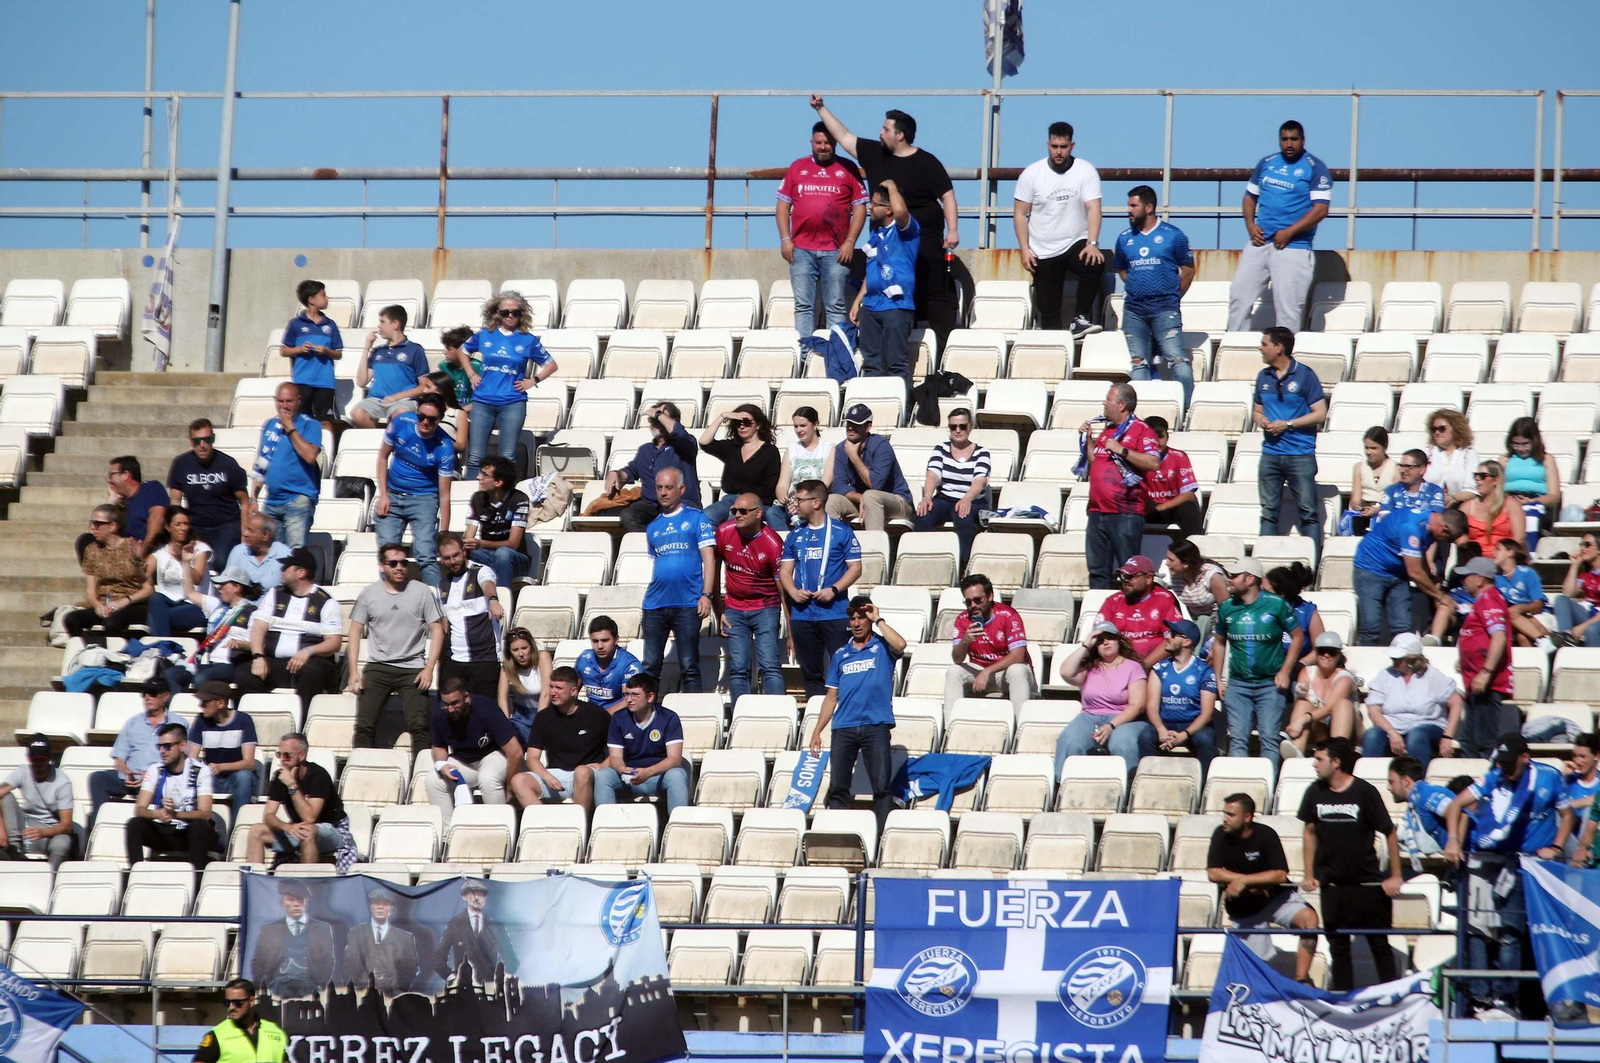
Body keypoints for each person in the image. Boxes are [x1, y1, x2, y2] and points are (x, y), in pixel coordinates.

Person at [810, 97, 959, 350]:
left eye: (886, 129)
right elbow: (844, 137)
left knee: (934, 300)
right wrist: (820, 108)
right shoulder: (874, 153)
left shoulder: (927, 162)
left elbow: (947, 196)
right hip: (887, 248)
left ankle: (944, 358)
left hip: (924, 245)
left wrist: (953, 230)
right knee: (895, 303)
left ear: (900, 135)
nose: (880, 132)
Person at [1442, 733, 1572, 1019]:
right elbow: (1456, 804)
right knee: (1494, 932)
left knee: (1519, 935)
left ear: (1525, 758)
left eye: (1509, 763)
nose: (1504, 768)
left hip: (1534, 867)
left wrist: (1558, 846)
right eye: (1500, 762)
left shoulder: (1548, 777)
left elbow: (1567, 814)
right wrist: (1452, 840)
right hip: (1498, 861)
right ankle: (1491, 998)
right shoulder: (1494, 777)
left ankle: (1514, 999)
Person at [1298, 737, 1402, 992]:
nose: (1314, 764)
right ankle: (1345, 1001)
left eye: (1319, 759)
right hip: (1332, 885)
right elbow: (1309, 832)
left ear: (1336, 762)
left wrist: (1395, 875)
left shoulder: (1364, 792)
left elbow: (1389, 832)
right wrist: (1309, 873)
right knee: (1338, 949)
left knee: (1380, 946)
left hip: (1367, 884)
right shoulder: (1314, 791)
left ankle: (1392, 999)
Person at [807, 597, 905, 835]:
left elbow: (901, 645)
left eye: (862, 617)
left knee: (881, 788)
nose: (857, 623)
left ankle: (880, 837)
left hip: (876, 725)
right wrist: (817, 730)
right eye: (853, 618)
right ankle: (839, 834)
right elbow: (831, 698)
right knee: (838, 787)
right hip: (844, 727)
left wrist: (878, 619)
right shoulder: (841, 654)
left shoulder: (883, 647)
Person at [1227, 120, 1333, 332]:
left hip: (1293, 247)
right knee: (1239, 297)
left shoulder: (1315, 167)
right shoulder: (1267, 163)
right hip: (1259, 243)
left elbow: (1320, 209)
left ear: (1303, 140)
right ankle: (1234, 346)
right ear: (1279, 141)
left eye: (1294, 139)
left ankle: (1285, 359)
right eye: (1285, 139)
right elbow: (1249, 197)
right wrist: (1250, 225)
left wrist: (1289, 232)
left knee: (1288, 309)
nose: (1289, 144)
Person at [1208, 793, 1319, 984]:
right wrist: (1245, 880)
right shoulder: (1220, 835)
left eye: (1231, 814)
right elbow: (1213, 873)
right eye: (1224, 813)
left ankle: (1302, 979)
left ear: (1247, 817)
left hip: (1276, 899)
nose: (1225, 819)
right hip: (1245, 909)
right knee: (1255, 971)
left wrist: (1245, 881)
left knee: (1310, 918)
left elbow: (1280, 874)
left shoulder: (1266, 835)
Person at [347, 542, 445, 755]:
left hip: (413, 668)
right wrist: (353, 671)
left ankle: (420, 772)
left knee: (420, 726)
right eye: (393, 563)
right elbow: (354, 631)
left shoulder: (422, 592)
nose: (399, 567)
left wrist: (429, 668)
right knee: (364, 725)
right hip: (378, 666)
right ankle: (362, 768)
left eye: (403, 562)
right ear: (382, 566)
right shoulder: (369, 594)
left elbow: (437, 630)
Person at [1013, 122, 1105, 338]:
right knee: (1048, 308)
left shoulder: (1085, 170)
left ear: (1071, 145)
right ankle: (1053, 350)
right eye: (1054, 146)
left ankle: (1080, 318)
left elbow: (1094, 208)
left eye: (1063, 146)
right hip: (1043, 248)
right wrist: (1024, 249)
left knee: (1095, 263)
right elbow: (1019, 213)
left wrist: (1092, 242)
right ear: (1048, 144)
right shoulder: (1032, 173)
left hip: (1076, 242)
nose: (1058, 152)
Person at [1212, 558, 1303, 770]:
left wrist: (1285, 671)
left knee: (1269, 739)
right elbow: (1219, 642)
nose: (1229, 580)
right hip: (1238, 683)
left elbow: (1297, 636)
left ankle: (1267, 790)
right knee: (1237, 739)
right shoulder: (1227, 607)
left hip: (1270, 684)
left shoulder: (1276, 604)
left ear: (1250, 578)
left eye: (1234, 576)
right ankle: (1241, 786)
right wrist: (1217, 678)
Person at [777, 121, 868, 332]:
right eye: (818, 142)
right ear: (811, 142)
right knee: (803, 306)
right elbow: (782, 207)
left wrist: (850, 241)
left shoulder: (848, 169)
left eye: (827, 142)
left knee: (835, 306)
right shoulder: (797, 167)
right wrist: (785, 239)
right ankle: (803, 356)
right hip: (801, 250)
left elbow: (860, 209)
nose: (823, 147)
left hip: (836, 251)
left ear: (834, 143)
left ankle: (837, 355)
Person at [458, 290, 559, 480]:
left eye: (515, 312)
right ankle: (470, 498)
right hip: (483, 401)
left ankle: (505, 501)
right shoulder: (485, 335)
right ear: (498, 313)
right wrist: (471, 374)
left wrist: (533, 380)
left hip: (512, 403)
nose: (510, 316)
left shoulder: (528, 339)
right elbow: (463, 351)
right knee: (475, 457)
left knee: (507, 457)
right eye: (505, 312)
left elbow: (551, 365)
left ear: (522, 314)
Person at [782, 478, 863, 698]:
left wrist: (834, 590)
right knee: (811, 675)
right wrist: (793, 592)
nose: (795, 504)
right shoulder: (795, 534)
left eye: (800, 499)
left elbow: (855, 568)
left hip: (834, 613)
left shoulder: (841, 531)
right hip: (803, 615)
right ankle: (814, 717)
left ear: (816, 502)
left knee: (843, 670)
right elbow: (784, 573)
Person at [1115, 185, 1196, 403]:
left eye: (1133, 205)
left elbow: (1188, 269)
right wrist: (1138, 285)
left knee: (1177, 359)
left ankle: (1187, 408)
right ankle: (1141, 410)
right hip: (1134, 310)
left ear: (1149, 207)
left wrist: (1172, 296)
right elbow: (1122, 269)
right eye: (1128, 205)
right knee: (1139, 362)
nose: (1128, 210)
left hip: (1165, 308)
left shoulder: (1173, 235)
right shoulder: (1124, 238)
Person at [1253, 327, 1328, 561]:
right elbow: (1256, 411)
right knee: (1268, 513)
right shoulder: (1263, 376)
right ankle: (1264, 563)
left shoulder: (1306, 375)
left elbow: (1320, 414)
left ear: (1279, 348)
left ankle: (1312, 565)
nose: (1260, 348)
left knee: (1308, 513)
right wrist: (1262, 420)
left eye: (1264, 344)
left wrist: (1287, 424)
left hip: (1300, 454)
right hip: (1270, 455)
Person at [640, 468, 717, 691]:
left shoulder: (697, 518)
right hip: (655, 605)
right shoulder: (653, 526)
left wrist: (707, 594)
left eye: (669, 487)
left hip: (687, 603)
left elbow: (709, 559)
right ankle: (648, 719)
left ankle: (692, 717)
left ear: (681, 489)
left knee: (689, 666)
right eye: (660, 488)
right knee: (651, 667)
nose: (663, 493)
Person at [242, 548, 342, 712]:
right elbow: (258, 627)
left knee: (312, 674)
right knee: (244, 675)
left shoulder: (326, 601)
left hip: (309, 663)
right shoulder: (275, 594)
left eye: (286, 567)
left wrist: (308, 651)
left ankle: (301, 729)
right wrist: (258, 656)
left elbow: (334, 642)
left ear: (301, 573)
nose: (281, 570)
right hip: (274, 661)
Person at [1082, 384, 1161, 589]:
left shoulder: (1142, 431)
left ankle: (1130, 616)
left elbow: (1153, 463)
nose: (1104, 403)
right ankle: (1100, 614)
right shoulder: (1107, 431)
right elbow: (1096, 462)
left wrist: (1123, 450)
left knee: (1130, 573)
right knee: (1097, 571)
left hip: (1125, 513)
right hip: (1097, 511)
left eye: (1108, 399)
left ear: (1122, 404)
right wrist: (1089, 441)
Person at [1351, 507, 1465, 646]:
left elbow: (1418, 555)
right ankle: (1366, 664)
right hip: (1371, 570)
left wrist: (1431, 579)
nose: (1447, 542)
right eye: (1450, 539)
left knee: (1402, 628)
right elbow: (1414, 572)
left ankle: (1403, 664)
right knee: (1371, 626)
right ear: (1445, 530)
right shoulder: (1411, 528)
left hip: (1398, 573)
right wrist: (1440, 596)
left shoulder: (1429, 527)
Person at [374, 393, 455, 588]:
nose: (425, 421)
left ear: (440, 419)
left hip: (424, 499)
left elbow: (444, 495)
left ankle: (436, 604)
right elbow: (383, 457)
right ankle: (391, 599)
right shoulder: (401, 422)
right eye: (422, 416)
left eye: (432, 419)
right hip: (392, 494)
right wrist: (383, 495)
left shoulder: (445, 447)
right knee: (388, 554)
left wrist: (444, 532)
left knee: (426, 554)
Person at [1053, 622, 1152, 778]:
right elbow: (1066, 672)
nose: (1105, 642)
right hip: (1089, 717)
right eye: (1099, 640)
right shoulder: (1090, 667)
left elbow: (1137, 705)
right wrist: (1085, 645)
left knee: (1123, 742)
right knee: (1070, 739)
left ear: (1119, 641)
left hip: (1123, 718)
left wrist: (1111, 725)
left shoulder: (1133, 667)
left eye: (1110, 638)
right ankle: (1063, 784)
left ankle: (1129, 785)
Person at [426, 677, 528, 826]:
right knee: (433, 780)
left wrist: (510, 788)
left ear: (467, 697)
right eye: (446, 704)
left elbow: (515, 751)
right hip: (464, 761)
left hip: (493, 755)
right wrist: (441, 764)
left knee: (488, 779)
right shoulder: (439, 714)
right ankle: (447, 835)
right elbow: (438, 746)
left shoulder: (486, 708)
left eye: (455, 703)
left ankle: (500, 829)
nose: (450, 709)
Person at [849, 180, 920, 394]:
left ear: (888, 210)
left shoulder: (906, 231)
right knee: (871, 364)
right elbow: (872, 271)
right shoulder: (875, 235)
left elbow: (900, 212)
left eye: (875, 204)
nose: (870, 208)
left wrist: (891, 186)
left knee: (895, 363)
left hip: (896, 307)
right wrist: (858, 300)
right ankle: (873, 406)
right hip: (871, 307)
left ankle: (901, 411)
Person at [714, 492, 786, 700]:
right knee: (738, 668)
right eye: (734, 511)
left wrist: (789, 628)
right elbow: (714, 568)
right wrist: (720, 611)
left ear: (758, 514)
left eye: (743, 511)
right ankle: (740, 716)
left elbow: (782, 588)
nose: (737, 515)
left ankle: (777, 717)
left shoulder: (772, 543)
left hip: (765, 608)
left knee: (769, 666)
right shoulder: (724, 532)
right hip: (734, 609)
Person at [245, 733, 355, 870]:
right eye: (279, 755)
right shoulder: (280, 777)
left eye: (287, 755)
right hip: (298, 827)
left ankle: (307, 885)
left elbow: (310, 817)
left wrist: (292, 785)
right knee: (256, 831)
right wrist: (287, 827)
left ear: (302, 755)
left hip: (333, 829)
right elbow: (268, 815)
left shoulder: (318, 776)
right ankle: (255, 883)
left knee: (307, 831)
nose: (282, 760)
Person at [89, 677, 186, 823]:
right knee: (98, 778)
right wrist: (126, 772)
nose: (147, 697)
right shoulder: (133, 722)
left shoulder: (179, 724)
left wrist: (151, 775)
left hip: (160, 780)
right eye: (144, 693)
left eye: (152, 693)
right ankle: (97, 825)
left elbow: (182, 761)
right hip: (130, 778)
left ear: (166, 696)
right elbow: (119, 757)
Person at [1360, 633, 1464, 768]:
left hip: (1427, 727)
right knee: (1372, 735)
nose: (1393, 660)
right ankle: (1369, 780)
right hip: (1392, 728)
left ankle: (1419, 782)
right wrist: (1391, 732)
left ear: (1411, 659)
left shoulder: (1432, 676)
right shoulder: (1385, 675)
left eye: (1398, 658)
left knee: (1417, 735)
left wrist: (1447, 737)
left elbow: (1456, 703)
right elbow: (1374, 709)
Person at [593, 673, 689, 813]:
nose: (629, 700)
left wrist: (648, 772)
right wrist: (622, 769)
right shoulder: (619, 718)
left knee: (677, 775)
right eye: (627, 695)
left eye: (635, 695)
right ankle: (607, 825)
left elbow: (674, 759)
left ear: (650, 697)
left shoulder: (668, 718)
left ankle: (679, 825)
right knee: (603, 776)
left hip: (659, 775)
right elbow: (615, 757)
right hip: (630, 774)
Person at [125, 721, 216, 869]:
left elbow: (205, 813)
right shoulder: (155, 769)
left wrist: (175, 814)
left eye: (167, 746)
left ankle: (197, 878)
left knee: (200, 826)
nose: (162, 751)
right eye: (159, 746)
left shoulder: (201, 770)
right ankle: (135, 873)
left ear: (182, 746)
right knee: (134, 824)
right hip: (164, 830)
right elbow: (139, 809)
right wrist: (156, 813)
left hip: (189, 833)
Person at [519, 667, 611, 811]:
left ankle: (578, 826)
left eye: (559, 688)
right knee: (519, 781)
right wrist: (547, 777)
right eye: (551, 687)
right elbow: (532, 757)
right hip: (557, 774)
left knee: (581, 772)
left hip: (588, 774)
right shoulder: (543, 717)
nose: (553, 692)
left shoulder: (596, 715)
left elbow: (618, 750)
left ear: (573, 691)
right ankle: (545, 824)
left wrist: (603, 765)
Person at [946, 574, 1034, 722]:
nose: (973, 605)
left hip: (1005, 673)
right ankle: (950, 729)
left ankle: (1020, 728)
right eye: (968, 602)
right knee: (953, 672)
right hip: (979, 671)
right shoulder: (962, 620)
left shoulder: (1008, 615)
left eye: (978, 600)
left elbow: (1018, 655)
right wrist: (965, 641)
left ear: (990, 596)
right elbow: (957, 659)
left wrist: (987, 671)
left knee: (1017, 670)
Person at [1453, 556, 1517, 759]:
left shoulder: (1489, 599)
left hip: (1486, 687)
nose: (1464, 581)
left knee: (1481, 742)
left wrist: (1485, 672)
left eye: (1467, 576)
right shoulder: (1485, 600)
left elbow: (1498, 637)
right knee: (1469, 742)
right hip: (1477, 684)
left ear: (1479, 579)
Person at [912, 408, 990, 571]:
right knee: (923, 513)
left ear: (971, 426)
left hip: (973, 501)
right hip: (945, 498)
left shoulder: (982, 452)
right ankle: (925, 558)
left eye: (962, 426)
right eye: (953, 427)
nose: (958, 430)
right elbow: (933, 474)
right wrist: (927, 496)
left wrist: (967, 498)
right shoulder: (941, 449)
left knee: (962, 514)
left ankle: (962, 565)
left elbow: (980, 480)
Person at [605, 402, 701, 534]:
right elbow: (631, 471)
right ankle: (650, 546)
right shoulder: (645, 450)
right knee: (628, 515)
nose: (656, 421)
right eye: (654, 419)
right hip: (652, 505)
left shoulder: (684, 445)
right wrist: (615, 474)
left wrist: (658, 414)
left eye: (661, 418)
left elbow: (680, 434)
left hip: (682, 503)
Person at [168, 418, 250, 568]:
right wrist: (175, 534)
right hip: (195, 526)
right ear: (190, 442)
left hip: (226, 524)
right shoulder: (181, 464)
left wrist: (244, 534)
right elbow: (175, 503)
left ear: (213, 439)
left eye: (207, 440)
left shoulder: (228, 464)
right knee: (183, 560)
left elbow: (244, 501)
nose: (202, 445)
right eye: (197, 441)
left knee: (222, 562)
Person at [250, 381, 323, 549]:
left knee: (294, 555)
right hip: (272, 501)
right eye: (280, 401)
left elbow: (310, 456)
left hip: (297, 500)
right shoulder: (269, 425)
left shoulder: (309, 425)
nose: (284, 406)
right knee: (269, 553)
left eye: (289, 401)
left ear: (298, 400)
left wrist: (290, 428)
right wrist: (254, 496)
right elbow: (262, 462)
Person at [63, 504, 154, 638]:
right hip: (105, 605)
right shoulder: (92, 550)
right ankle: (88, 650)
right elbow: (90, 590)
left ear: (112, 526)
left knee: (112, 623)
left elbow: (148, 589)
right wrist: (96, 605)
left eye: (98, 524)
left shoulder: (132, 547)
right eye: (92, 523)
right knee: (70, 619)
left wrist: (125, 601)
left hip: (132, 604)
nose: (92, 528)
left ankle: (116, 656)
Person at [168, 564, 261, 694]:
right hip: (208, 662)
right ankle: (174, 711)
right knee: (171, 674)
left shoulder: (253, 613)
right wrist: (186, 561)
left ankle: (203, 712)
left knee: (201, 679)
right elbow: (190, 593)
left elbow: (257, 645)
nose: (219, 589)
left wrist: (240, 644)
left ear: (237, 587)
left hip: (230, 664)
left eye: (223, 585)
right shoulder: (217, 605)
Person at [435, 532, 505, 701]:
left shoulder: (480, 571)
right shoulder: (442, 586)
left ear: (464, 551)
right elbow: (444, 626)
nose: (453, 561)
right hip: (454, 661)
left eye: (456, 555)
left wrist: (493, 600)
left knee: (481, 710)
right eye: (447, 558)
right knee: (450, 711)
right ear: (441, 559)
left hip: (484, 659)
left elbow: (488, 584)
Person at [1144, 620, 1219, 773]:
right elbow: (1151, 706)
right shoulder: (1159, 668)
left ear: (1186, 641)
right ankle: (1149, 778)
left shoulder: (1204, 671)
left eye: (1173, 634)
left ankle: (1204, 785)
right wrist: (1161, 730)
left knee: (1205, 739)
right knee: (1144, 736)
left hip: (1193, 725)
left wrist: (1184, 735)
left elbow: (1206, 714)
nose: (1167, 637)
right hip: (1165, 723)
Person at [699, 405, 787, 530]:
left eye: (746, 422)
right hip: (730, 500)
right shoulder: (733, 447)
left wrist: (743, 503)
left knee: (733, 519)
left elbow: (769, 488)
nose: (742, 426)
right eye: (737, 423)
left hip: (757, 503)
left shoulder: (770, 452)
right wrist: (722, 416)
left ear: (758, 425)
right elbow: (704, 442)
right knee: (705, 518)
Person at [827, 405, 914, 526]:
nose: (850, 428)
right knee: (832, 501)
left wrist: (854, 457)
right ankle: (834, 543)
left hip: (897, 501)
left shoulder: (881, 446)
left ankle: (874, 544)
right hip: (863, 502)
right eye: (848, 423)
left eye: (856, 424)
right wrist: (860, 498)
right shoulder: (841, 448)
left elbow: (876, 484)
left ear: (868, 427)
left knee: (871, 496)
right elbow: (838, 485)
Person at [250, 880, 335, 1000]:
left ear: (306, 902)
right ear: (282, 903)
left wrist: (320, 984)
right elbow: (259, 961)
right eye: (290, 899)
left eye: (300, 900)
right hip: (277, 986)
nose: (296, 904)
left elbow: (328, 960)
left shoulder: (322, 928)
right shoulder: (269, 929)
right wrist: (262, 987)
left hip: (310, 986)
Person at [279, 279, 343, 440]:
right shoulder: (296, 324)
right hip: (302, 381)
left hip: (325, 382)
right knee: (302, 420)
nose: (327, 298)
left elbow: (338, 353)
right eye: (323, 295)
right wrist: (300, 349)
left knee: (325, 421)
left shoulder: (331, 325)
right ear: (311, 300)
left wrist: (327, 351)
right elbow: (284, 350)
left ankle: (326, 450)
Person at [0, 735, 74, 869]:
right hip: (25, 824)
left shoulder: (62, 783)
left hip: (51, 830)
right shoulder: (23, 772)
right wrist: (1, 830)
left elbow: (67, 825)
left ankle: (50, 878)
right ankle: (14, 852)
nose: (39, 764)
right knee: (6, 797)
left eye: (42, 759)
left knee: (62, 844)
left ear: (49, 758)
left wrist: (42, 832)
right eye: (35, 760)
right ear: (29, 759)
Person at [350, 304, 429, 428]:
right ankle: (378, 442)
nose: (378, 326)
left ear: (395, 324)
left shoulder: (415, 350)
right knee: (357, 413)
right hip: (376, 400)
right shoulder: (377, 351)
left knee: (400, 415)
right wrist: (367, 348)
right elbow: (361, 382)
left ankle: (390, 442)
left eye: (382, 322)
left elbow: (424, 386)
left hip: (403, 401)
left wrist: (396, 397)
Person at [1096, 555, 1183, 666]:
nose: (1125, 580)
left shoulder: (1164, 598)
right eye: (1123, 576)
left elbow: (1174, 638)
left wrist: (1145, 665)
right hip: (1118, 664)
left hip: (1156, 666)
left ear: (1148, 578)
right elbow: (1099, 637)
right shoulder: (1113, 601)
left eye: (1131, 576)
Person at [465, 456, 536, 591]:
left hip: (515, 558)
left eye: (484, 475)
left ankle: (503, 601)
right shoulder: (477, 498)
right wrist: (465, 545)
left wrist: (480, 543)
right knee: (457, 552)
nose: (478, 477)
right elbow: (468, 536)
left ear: (498, 482)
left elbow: (513, 544)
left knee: (503, 554)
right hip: (486, 554)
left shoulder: (519, 499)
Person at [1283, 632, 1359, 758]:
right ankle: (1296, 752)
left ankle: (1336, 756)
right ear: (1316, 653)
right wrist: (1299, 694)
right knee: (1303, 703)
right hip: (1318, 727)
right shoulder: (1306, 673)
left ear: (1339, 655)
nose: (1326, 655)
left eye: (1332, 652)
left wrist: (1302, 720)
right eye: (1322, 651)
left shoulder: (1345, 678)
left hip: (1349, 729)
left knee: (1342, 704)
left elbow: (1329, 708)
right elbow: (1301, 706)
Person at [187, 680, 259, 812]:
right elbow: (191, 759)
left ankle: (237, 825)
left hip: (235, 778)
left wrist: (221, 767)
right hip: (212, 778)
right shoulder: (201, 721)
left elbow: (249, 764)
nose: (200, 706)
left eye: (205, 702)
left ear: (221, 703)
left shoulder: (243, 721)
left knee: (244, 777)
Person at [432, 878, 518, 983]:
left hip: (489, 986)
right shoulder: (455, 924)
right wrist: (452, 978)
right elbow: (438, 960)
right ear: (464, 897)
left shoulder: (495, 926)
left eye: (481, 894)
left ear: (485, 900)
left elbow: (512, 959)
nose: (476, 897)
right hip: (463, 987)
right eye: (472, 893)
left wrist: (502, 980)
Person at [147, 507, 213, 636]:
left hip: (196, 606)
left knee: (156, 617)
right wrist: (136, 559)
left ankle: (162, 649)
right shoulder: (160, 552)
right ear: (168, 527)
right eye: (178, 524)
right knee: (156, 598)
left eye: (186, 524)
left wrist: (182, 560)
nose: (183, 528)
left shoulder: (199, 548)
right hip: (169, 604)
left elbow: (197, 579)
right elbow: (142, 575)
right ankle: (164, 648)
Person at [342, 886, 419, 993]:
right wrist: (355, 990)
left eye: (385, 904)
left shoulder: (405, 938)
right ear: (370, 907)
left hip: (393, 995)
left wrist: (399, 991)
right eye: (376, 903)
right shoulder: (356, 933)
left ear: (391, 908)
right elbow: (349, 964)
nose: (380, 907)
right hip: (362, 993)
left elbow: (411, 968)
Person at [1387, 756, 1458, 871]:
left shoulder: (1425, 794)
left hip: (1471, 855)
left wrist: (1453, 841)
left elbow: (1455, 810)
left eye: (1392, 782)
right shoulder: (1414, 802)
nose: (1389, 788)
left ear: (1405, 781)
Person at [192, 979, 288, 1063]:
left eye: (237, 1003)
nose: (231, 1007)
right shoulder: (218, 1035)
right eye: (227, 1002)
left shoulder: (275, 1032)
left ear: (251, 1001)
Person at [1500, 417, 1560, 550]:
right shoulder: (1505, 460)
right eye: (1516, 444)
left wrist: (1530, 502)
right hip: (1509, 501)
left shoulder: (1546, 460)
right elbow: (1497, 488)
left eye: (1525, 444)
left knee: (1530, 516)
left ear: (1534, 440)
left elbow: (1554, 496)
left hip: (1536, 502)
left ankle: (1528, 554)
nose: (1521, 449)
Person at [1141, 416, 1201, 536]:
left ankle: (1192, 548)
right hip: (1146, 508)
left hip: (1173, 507)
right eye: (1151, 438)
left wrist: (1162, 507)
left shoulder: (1179, 457)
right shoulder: (1137, 459)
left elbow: (1188, 494)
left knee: (1189, 509)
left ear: (1167, 437)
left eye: (1160, 436)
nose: (1157, 442)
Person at [776, 406, 834, 526]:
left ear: (815, 424)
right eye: (796, 426)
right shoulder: (792, 449)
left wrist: (803, 502)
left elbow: (825, 482)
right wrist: (784, 498)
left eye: (803, 425)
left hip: (814, 500)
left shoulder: (828, 449)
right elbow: (782, 485)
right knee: (773, 513)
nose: (799, 430)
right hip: (793, 501)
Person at [573, 616, 641, 712]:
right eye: (595, 641)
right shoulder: (584, 658)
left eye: (605, 640)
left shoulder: (630, 665)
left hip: (620, 716)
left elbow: (629, 700)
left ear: (616, 640)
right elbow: (572, 691)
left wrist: (602, 717)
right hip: (591, 713)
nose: (600, 646)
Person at [108, 454, 170, 558]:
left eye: (111, 475)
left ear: (126, 475)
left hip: (151, 552)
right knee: (86, 540)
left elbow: (157, 518)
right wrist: (112, 499)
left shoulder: (151, 489)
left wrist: (144, 551)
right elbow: (104, 528)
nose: (108, 480)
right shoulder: (120, 502)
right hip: (124, 554)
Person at [499, 627, 551, 745]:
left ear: (531, 647)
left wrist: (539, 723)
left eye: (524, 648)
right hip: (522, 716)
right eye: (515, 650)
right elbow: (502, 696)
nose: (521, 654)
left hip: (544, 713)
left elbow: (546, 693)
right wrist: (505, 723)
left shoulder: (542, 657)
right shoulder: (507, 666)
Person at [224, 513, 291, 590]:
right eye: (245, 529)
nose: (245, 534)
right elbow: (227, 584)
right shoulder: (238, 551)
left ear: (265, 535)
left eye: (250, 530)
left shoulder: (284, 554)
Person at [1349, 426, 1397, 534]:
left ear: (1384, 447)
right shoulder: (1359, 467)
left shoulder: (1395, 469)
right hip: (1363, 514)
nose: (1369, 452)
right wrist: (1360, 507)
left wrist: (1377, 509)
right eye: (1366, 448)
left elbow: (1394, 500)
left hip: (1385, 513)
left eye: (1374, 448)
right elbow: (1355, 498)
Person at [1555, 532, 1600, 647]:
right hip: (1590, 613)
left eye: (1587, 544)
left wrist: (1582, 627)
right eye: (1581, 545)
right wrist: (1574, 565)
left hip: (1596, 620)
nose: (1582, 548)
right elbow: (1567, 593)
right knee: (1561, 599)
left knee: (1591, 630)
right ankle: (1567, 639)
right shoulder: (1586, 574)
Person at [1425, 409, 1479, 502]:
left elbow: (1472, 489)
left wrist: (1452, 498)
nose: (1437, 432)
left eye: (1442, 428)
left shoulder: (1469, 454)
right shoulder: (1427, 453)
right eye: (1434, 429)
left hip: (1459, 506)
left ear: (1455, 429)